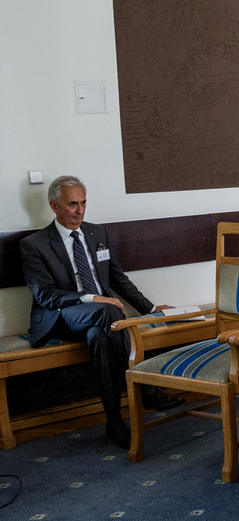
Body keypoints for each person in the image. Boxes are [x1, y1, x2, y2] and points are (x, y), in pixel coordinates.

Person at [20, 176, 183, 450]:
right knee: (107, 311)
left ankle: (114, 420)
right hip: (63, 315)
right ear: (54, 206)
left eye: (83, 203)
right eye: (73, 204)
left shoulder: (97, 233)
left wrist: (152, 309)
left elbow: (117, 277)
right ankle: (146, 387)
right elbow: (45, 295)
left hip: (101, 318)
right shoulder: (34, 244)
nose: (80, 211)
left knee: (98, 337)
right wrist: (92, 298)